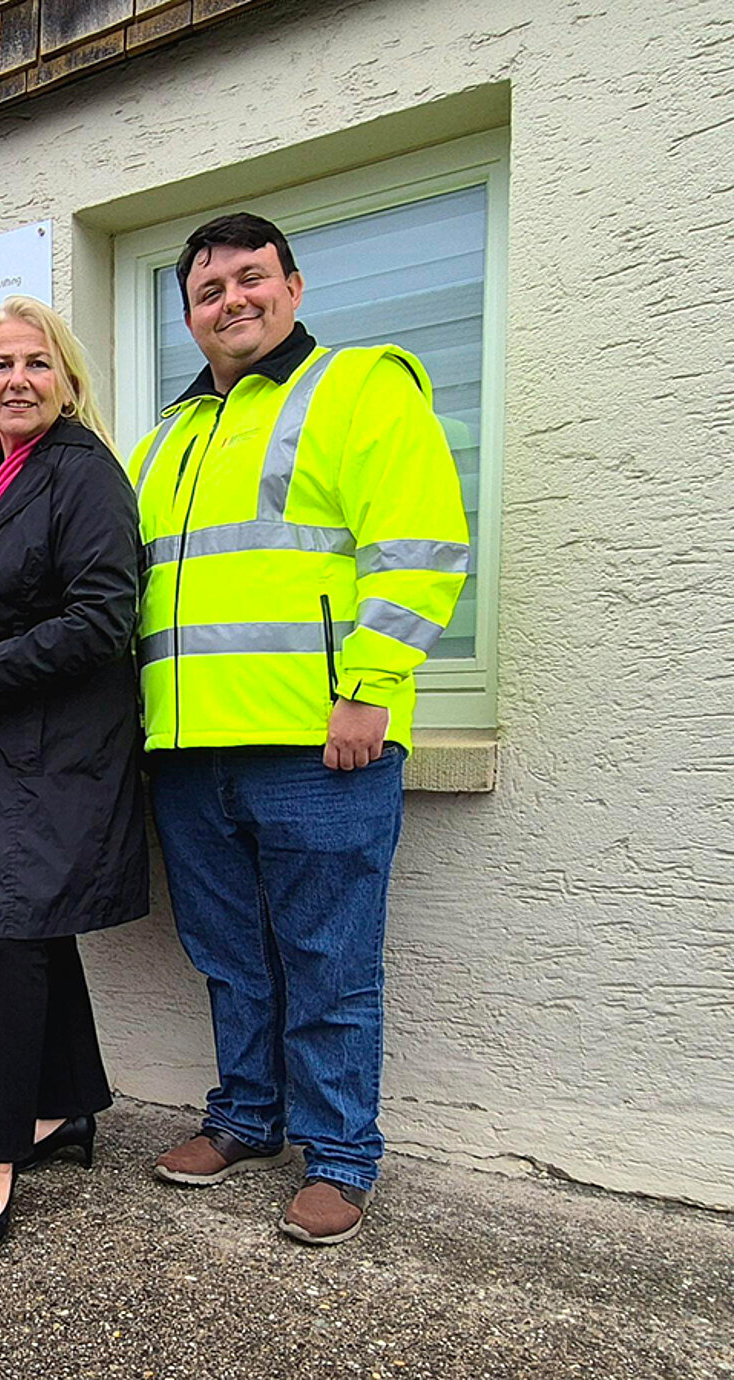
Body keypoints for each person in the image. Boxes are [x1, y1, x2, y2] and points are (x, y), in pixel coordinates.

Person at [128, 213, 469, 1245]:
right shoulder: (166, 439)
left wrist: (370, 686)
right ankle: (245, 1117)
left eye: (251, 278)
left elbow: (418, 542)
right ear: (189, 317)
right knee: (229, 957)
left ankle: (339, 1155)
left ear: (294, 286)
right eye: (208, 291)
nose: (231, 300)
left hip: (318, 746)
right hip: (189, 753)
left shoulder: (359, 386)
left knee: (328, 962)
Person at [0, 298, 150, 1260]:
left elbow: (103, 619)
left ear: (68, 381)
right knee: (31, 928)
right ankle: (66, 1104)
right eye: (0, 363)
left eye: (36, 363)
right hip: (1, 749)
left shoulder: (81, 472)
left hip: (47, 752)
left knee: (6, 938)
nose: (17, 379)